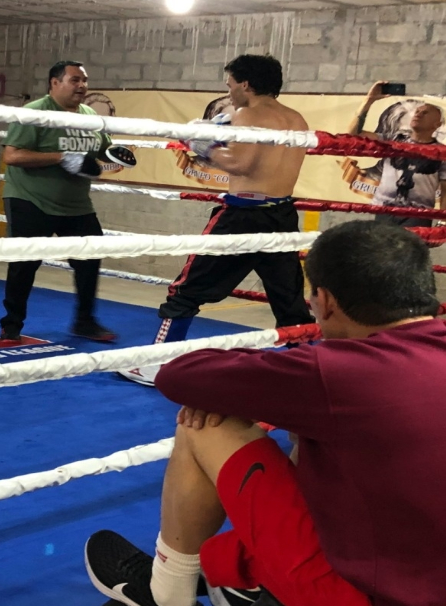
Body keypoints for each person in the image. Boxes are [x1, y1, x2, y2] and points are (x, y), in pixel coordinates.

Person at [86, 220, 446, 606]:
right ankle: (246, 576)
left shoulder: (340, 375)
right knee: (322, 434)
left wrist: (282, 381)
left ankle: (165, 601)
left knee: (205, 424)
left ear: (325, 301)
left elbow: (180, 376)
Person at [119, 54, 314, 387]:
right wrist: (218, 129)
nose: (229, 91)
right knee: (289, 298)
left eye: (230, 84)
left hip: (241, 214)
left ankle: (155, 363)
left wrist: (201, 145)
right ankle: (312, 366)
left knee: (187, 289)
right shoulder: (295, 118)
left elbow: (241, 164)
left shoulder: (248, 113)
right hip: (281, 214)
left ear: (245, 84)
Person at [0, 60, 134, 344]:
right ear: (55, 83)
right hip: (30, 199)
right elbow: (12, 156)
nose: (82, 86)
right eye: (75, 80)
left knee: (89, 259)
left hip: (76, 205)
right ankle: (12, 324)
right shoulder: (34, 113)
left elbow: (103, 149)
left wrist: (115, 153)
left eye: (84, 80)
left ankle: (84, 322)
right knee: (24, 264)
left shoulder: (89, 116)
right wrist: (60, 157)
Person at [349, 81, 446, 228]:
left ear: (437, 124)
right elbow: (352, 136)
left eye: (425, 113)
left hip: (419, 214)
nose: (418, 114)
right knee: (380, 250)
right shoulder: (393, 139)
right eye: (417, 111)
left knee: (410, 250)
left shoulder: (444, 153)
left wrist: (443, 221)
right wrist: (369, 100)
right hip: (384, 209)